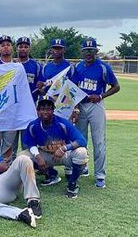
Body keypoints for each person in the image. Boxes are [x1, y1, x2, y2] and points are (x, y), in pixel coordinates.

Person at [71, 38, 120, 188]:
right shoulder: (77, 67)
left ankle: (100, 175)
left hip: (96, 104)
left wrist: (101, 96)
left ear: (96, 51)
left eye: (91, 50)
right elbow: (72, 88)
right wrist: (74, 108)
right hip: (81, 105)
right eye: (86, 50)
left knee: (98, 141)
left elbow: (116, 86)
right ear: (82, 52)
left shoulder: (103, 67)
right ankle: (83, 167)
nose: (88, 53)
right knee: (81, 140)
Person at [20, 96, 89, 198]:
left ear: (53, 110)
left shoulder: (63, 123)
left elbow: (82, 141)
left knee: (82, 152)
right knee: (22, 156)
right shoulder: (33, 125)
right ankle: (51, 174)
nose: (45, 112)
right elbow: (30, 143)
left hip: (63, 155)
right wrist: (38, 157)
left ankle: (72, 183)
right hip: (46, 155)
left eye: (48, 109)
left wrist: (63, 148)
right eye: (42, 109)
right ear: (38, 111)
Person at [35, 38, 74, 186]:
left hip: (65, 105)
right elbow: (44, 89)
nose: (57, 51)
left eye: (59, 48)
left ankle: (69, 169)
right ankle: (51, 172)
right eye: (55, 48)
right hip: (49, 107)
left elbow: (74, 89)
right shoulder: (46, 68)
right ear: (52, 50)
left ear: (64, 50)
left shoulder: (70, 67)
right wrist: (40, 87)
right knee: (48, 137)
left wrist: (74, 109)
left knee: (66, 136)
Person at [0, 150, 41, 228]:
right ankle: (21, 213)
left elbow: (4, 167)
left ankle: (33, 201)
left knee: (23, 158)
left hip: (6, 179)